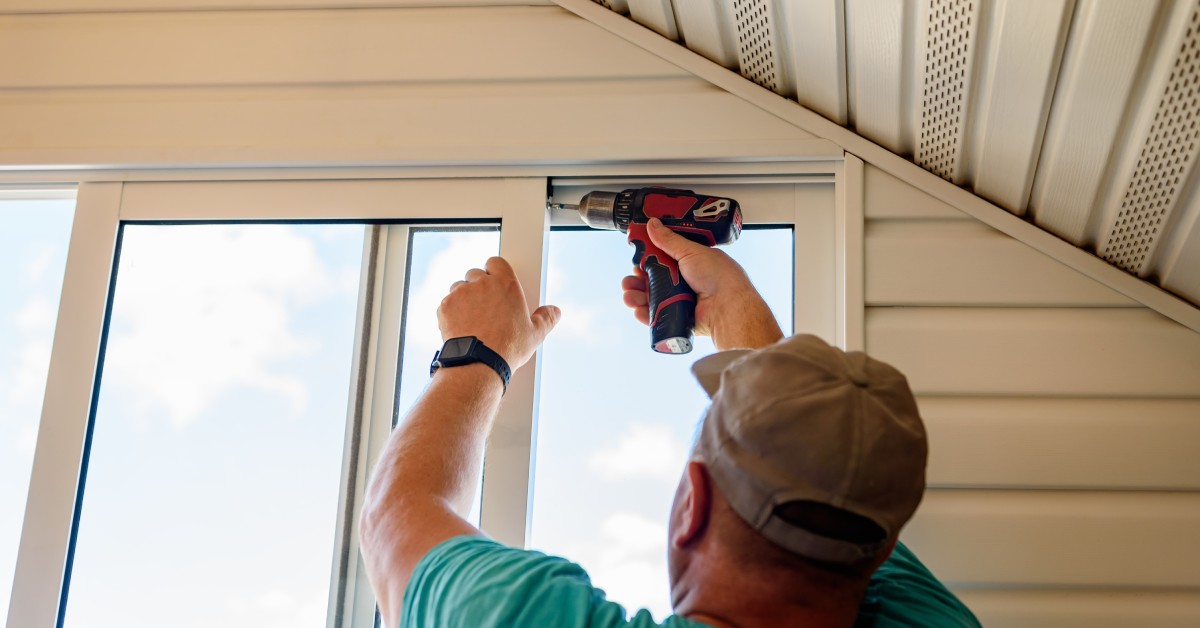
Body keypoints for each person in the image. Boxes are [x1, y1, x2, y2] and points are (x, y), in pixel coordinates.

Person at [358, 217, 980, 627]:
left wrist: (479, 353)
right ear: (882, 542)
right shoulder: (930, 619)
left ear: (694, 507)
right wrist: (733, 303)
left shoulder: (531, 615)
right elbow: (821, 462)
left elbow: (396, 515)